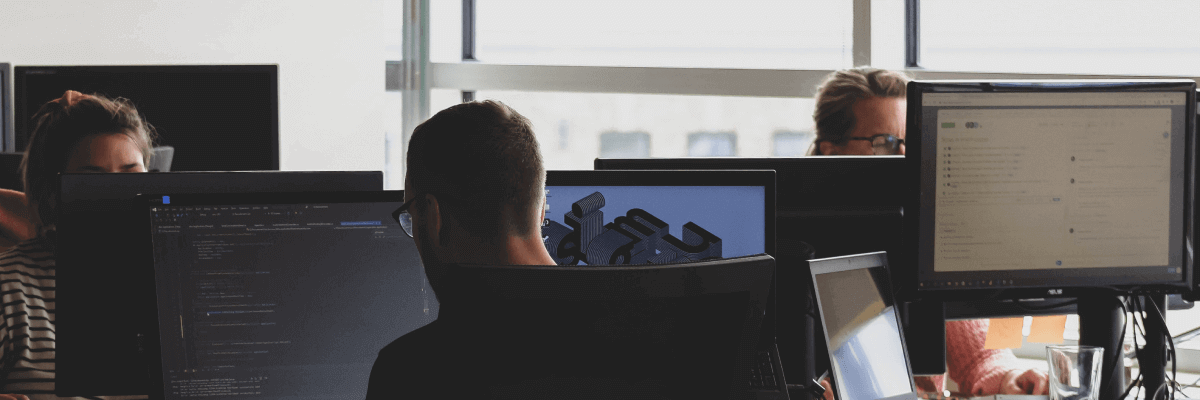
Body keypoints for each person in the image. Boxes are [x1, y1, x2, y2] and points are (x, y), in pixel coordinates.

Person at [809, 68, 1048, 396]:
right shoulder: (795, 244)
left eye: (913, 141)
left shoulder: (925, 232)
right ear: (832, 151)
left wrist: (1009, 376)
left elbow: (979, 354)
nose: (907, 157)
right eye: (886, 143)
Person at [365, 100, 556, 399]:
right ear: (542, 208)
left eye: (412, 216)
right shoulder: (641, 338)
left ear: (434, 219)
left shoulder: (407, 374)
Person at [0, 90, 155, 398]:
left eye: (132, 176)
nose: (116, 197)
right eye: (92, 180)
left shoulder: (176, 276)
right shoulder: (9, 285)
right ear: (52, 192)